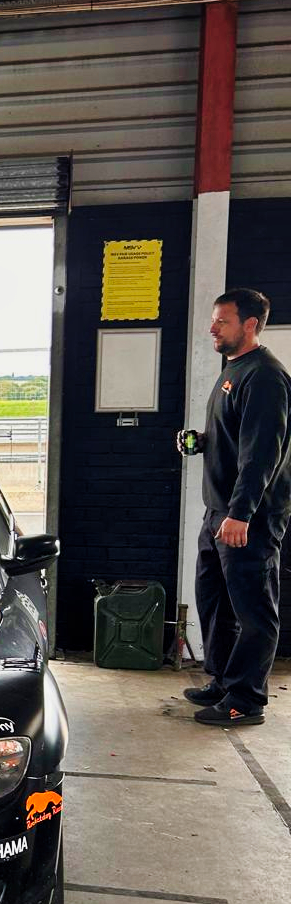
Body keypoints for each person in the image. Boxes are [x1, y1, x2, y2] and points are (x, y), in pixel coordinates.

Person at [178, 288, 291, 726]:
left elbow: (263, 453)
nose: (212, 328)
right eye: (213, 320)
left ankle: (246, 699)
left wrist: (241, 514)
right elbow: (236, 436)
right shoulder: (234, 370)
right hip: (218, 513)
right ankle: (223, 681)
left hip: (247, 519)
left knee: (254, 611)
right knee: (214, 603)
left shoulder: (264, 377)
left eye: (221, 321)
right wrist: (202, 443)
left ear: (249, 325)